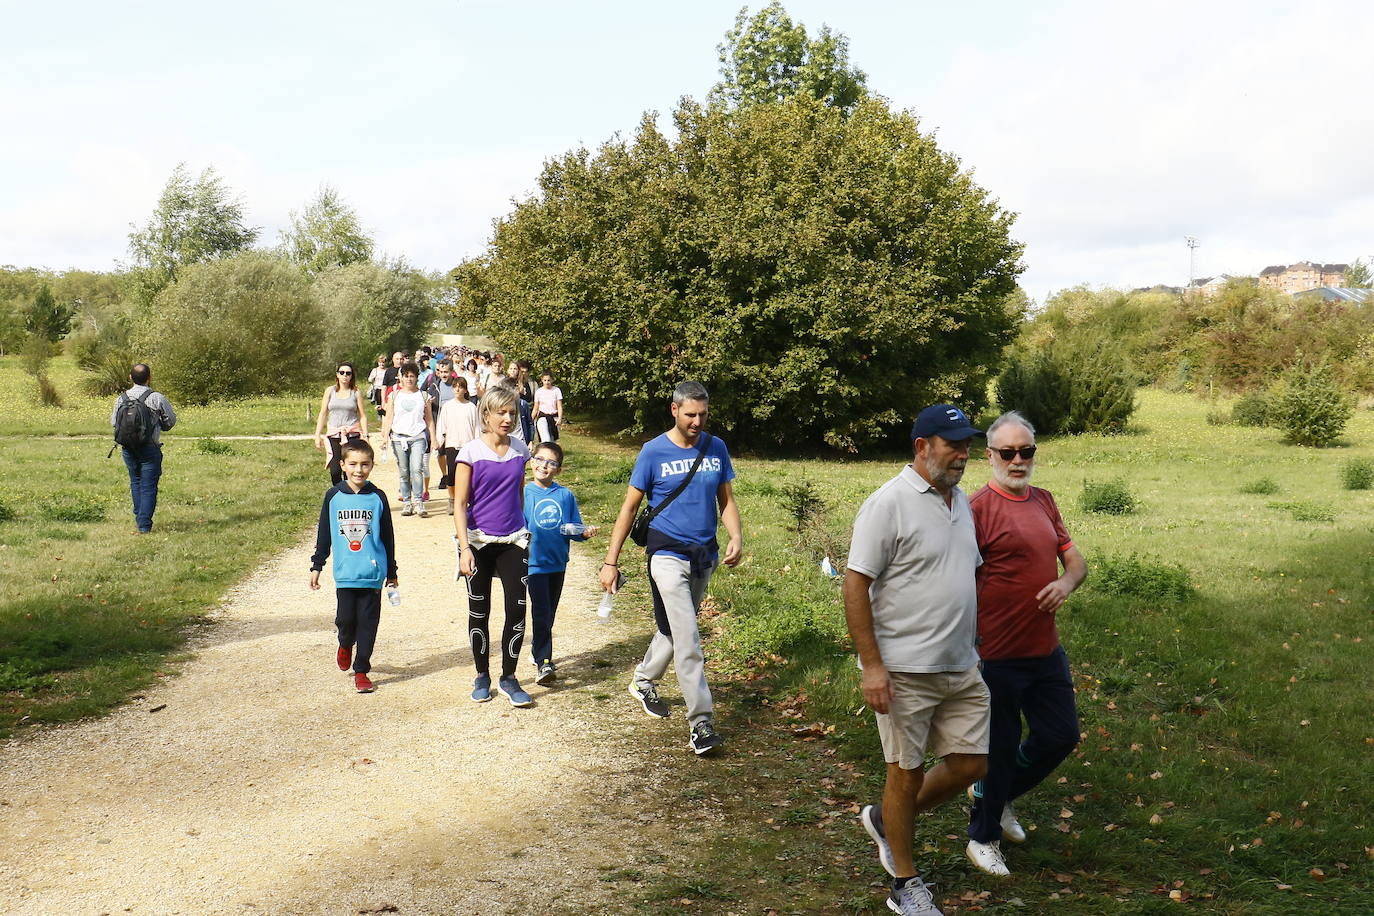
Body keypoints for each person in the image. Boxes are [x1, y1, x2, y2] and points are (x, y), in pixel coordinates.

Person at [847, 404, 990, 916]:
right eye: (953, 444)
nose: (963, 453)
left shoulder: (961, 503)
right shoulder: (889, 503)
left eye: (967, 444)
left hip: (961, 663)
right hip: (905, 667)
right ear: (921, 446)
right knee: (904, 775)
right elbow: (856, 582)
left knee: (973, 763)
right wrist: (873, 666)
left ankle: (889, 820)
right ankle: (904, 886)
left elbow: (964, 574)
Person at [963, 412, 1087, 877]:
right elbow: (957, 578)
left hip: (1044, 649)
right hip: (995, 652)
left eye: (1026, 451)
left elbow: (1076, 563)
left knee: (1060, 736)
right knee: (999, 746)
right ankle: (983, 835)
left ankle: (999, 797)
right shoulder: (976, 508)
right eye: (1008, 453)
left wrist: (1065, 585)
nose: (1018, 461)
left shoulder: (1044, 501)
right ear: (990, 455)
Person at [599, 381, 743, 757]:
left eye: (703, 415)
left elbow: (725, 499)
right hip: (665, 553)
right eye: (690, 414)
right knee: (689, 637)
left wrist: (736, 536)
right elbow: (629, 508)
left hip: (703, 554)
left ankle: (644, 679)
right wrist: (610, 561)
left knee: (676, 626)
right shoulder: (653, 451)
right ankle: (701, 724)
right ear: (674, 410)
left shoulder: (716, 448)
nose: (697, 422)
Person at [453, 385, 533, 708]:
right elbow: (460, 504)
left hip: (514, 539)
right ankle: (482, 675)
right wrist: (464, 549)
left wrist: (526, 529)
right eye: (501, 412)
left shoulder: (521, 450)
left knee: (517, 610)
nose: (508, 418)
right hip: (478, 542)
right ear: (485, 415)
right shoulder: (470, 453)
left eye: (512, 412)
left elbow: (520, 494)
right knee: (479, 611)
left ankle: (509, 677)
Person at [308, 439, 398, 694]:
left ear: (371, 466)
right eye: (353, 464)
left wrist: (391, 572)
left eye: (365, 464)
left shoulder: (377, 497)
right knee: (346, 621)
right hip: (345, 574)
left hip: (372, 575)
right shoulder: (333, 496)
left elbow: (387, 537)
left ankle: (361, 671)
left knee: (368, 624)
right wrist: (317, 565)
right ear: (342, 465)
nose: (359, 470)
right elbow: (324, 533)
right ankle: (345, 644)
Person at [523, 441, 599, 684]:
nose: (544, 465)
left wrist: (583, 532)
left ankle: (537, 647)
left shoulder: (565, 495)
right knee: (541, 611)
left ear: (558, 469)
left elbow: (572, 527)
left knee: (549, 611)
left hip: (558, 564)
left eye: (551, 463)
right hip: (533, 564)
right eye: (540, 459)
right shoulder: (523, 492)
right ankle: (544, 662)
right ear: (532, 461)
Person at [111, 363, 177, 534]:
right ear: (149, 378)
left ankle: (140, 518)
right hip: (150, 448)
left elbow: (114, 423)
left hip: (128, 448)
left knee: (136, 482)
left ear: (130, 377)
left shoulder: (121, 399)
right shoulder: (156, 397)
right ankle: (144, 525)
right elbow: (170, 420)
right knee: (148, 486)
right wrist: (158, 425)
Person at [380, 362, 435, 518]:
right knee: (404, 471)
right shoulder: (394, 395)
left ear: (417, 378)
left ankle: (419, 501)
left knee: (417, 469)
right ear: (401, 378)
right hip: (398, 437)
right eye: (406, 376)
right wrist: (385, 437)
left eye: (412, 376)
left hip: (418, 436)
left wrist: (434, 438)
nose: (409, 379)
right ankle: (407, 502)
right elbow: (389, 417)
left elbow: (429, 419)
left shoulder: (423, 396)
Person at [313, 362, 369, 486]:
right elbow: (323, 413)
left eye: (348, 373)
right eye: (342, 372)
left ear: (351, 376)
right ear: (337, 375)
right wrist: (317, 434)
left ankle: (352, 494)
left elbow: (363, 416)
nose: (345, 376)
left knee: (350, 469)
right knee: (335, 470)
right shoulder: (330, 391)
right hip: (334, 435)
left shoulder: (356, 392)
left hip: (351, 435)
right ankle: (338, 493)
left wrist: (365, 435)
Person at [436, 375, 480, 515]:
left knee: (469, 475)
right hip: (452, 444)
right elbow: (441, 425)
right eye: (455, 386)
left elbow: (477, 428)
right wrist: (439, 441)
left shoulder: (471, 407)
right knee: (452, 474)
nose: (457, 389)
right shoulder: (447, 406)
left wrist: (477, 443)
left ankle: (467, 500)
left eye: (460, 387)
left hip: (468, 445)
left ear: (465, 390)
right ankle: (452, 499)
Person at [532, 371, 563, 444]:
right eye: (545, 380)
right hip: (543, 417)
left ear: (552, 380)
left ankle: (552, 453)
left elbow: (559, 406)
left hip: (554, 418)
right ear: (542, 380)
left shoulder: (556, 390)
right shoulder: (539, 391)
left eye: (548, 380)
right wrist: (531, 419)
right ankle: (545, 452)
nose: (547, 382)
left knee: (552, 440)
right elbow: (536, 407)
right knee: (546, 439)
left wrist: (560, 418)